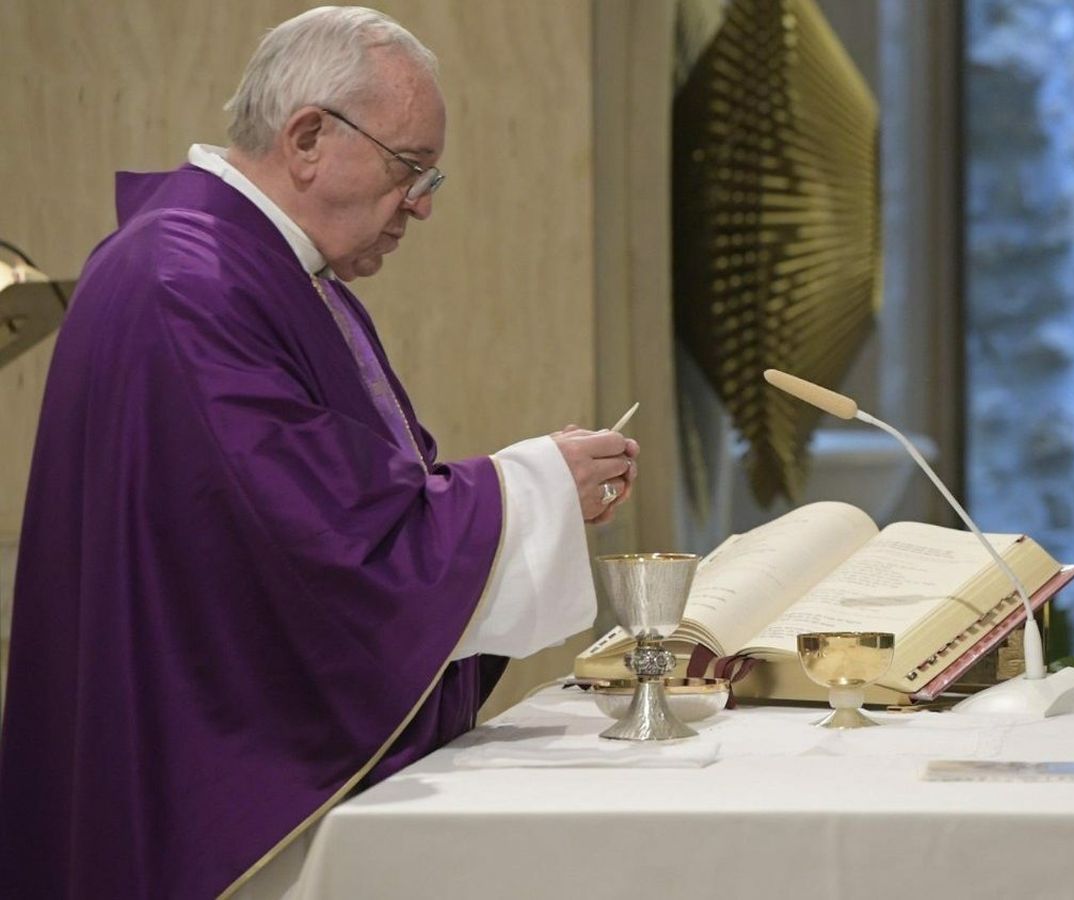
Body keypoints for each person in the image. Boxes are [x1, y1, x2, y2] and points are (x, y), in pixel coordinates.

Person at [0, 7, 635, 898]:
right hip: (199, 768)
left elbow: (354, 499)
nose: (420, 201)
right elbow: (317, 553)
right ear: (307, 138)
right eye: (410, 166)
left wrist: (530, 492)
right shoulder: (189, 281)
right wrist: (528, 490)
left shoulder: (254, 267)